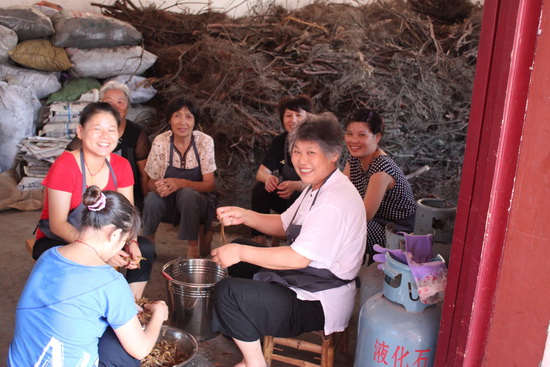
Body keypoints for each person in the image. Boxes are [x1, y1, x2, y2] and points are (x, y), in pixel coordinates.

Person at [211, 113, 366, 367]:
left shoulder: (334, 201)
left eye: (311, 153)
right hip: (305, 277)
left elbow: (298, 256)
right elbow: (284, 224)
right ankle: (247, 328)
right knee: (244, 255)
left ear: (334, 154)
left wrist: (238, 251)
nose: (301, 161)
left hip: (318, 299)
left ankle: (254, 362)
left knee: (227, 291)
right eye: (296, 151)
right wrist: (245, 215)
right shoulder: (317, 186)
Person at [8, 186, 169, 367]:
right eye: (124, 242)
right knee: (126, 352)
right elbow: (141, 349)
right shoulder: (111, 282)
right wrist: (159, 315)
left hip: (20, 362)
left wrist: (125, 306)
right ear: (114, 234)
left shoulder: (49, 255)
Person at [33, 102, 155, 299]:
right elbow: (57, 224)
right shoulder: (64, 166)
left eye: (111, 130)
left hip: (105, 238)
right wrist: (100, 252)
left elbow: (128, 215)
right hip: (59, 239)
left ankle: (132, 307)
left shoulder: (121, 166)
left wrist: (130, 241)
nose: (105, 136)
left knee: (145, 249)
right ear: (80, 132)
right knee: (86, 261)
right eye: (97, 129)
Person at [142, 96, 217, 258]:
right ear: (169, 120)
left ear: (195, 122)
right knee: (152, 198)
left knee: (187, 194)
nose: (182, 122)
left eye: (188, 116)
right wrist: (159, 186)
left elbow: (209, 184)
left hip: (198, 205)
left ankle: (192, 248)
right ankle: (148, 245)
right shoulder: (160, 142)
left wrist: (180, 183)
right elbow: (149, 183)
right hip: (169, 202)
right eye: (177, 115)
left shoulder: (204, 142)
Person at [343, 108, 416, 262]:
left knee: (348, 227)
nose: (353, 140)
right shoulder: (355, 159)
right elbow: (339, 190)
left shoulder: (381, 168)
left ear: (377, 137)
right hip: (375, 222)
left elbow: (364, 215)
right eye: (349, 134)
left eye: (361, 135)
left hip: (394, 232)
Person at [67, 81, 151, 210]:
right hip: (91, 197)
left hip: (128, 199)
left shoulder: (137, 134)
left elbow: (144, 174)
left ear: (128, 106)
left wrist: (146, 206)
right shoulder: (90, 132)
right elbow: (67, 162)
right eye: (109, 102)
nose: (114, 107)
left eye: (120, 102)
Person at [251, 95, 313, 244]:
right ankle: (259, 240)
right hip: (286, 196)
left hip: (309, 198)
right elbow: (261, 173)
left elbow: (322, 181)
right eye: (288, 115)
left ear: (308, 117)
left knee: (295, 195)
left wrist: (296, 185)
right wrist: (268, 179)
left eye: (299, 115)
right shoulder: (280, 141)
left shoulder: (316, 141)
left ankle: (293, 241)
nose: (293, 120)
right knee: (260, 190)